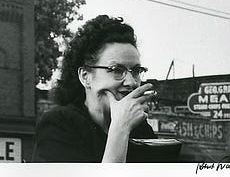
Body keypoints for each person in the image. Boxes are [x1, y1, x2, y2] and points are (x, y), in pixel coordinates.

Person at [32, 15, 157, 162]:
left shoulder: (139, 128)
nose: (131, 82)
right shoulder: (58, 125)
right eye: (116, 69)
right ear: (85, 76)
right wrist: (120, 128)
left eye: (136, 71)